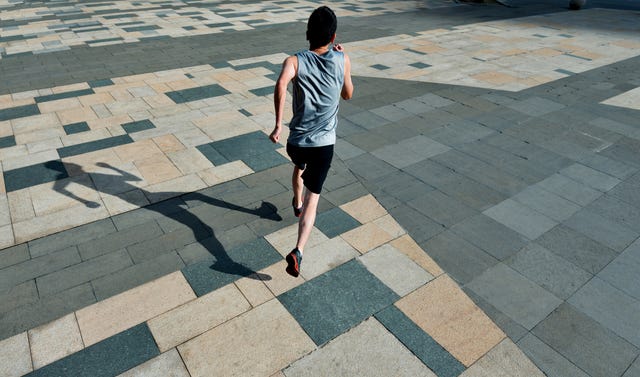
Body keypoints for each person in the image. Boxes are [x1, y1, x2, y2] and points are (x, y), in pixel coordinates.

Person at [269, 5, 353, 277]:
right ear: (333, 36)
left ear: (308, 33)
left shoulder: (294, 61)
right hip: (324, 145)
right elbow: (348, 95)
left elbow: (281, 84)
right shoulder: (343, 59)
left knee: (299, 166)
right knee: (313, 198)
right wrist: (340, 66)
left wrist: (277, 125)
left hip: (296, 142)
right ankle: (299, 250)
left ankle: (295, 202)